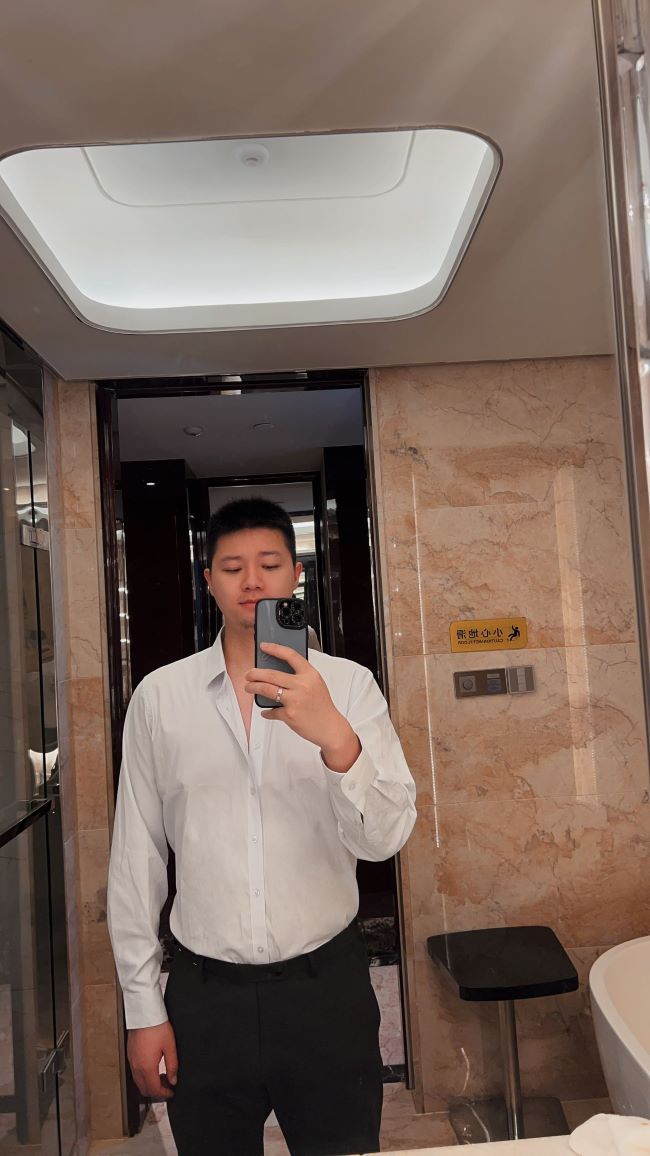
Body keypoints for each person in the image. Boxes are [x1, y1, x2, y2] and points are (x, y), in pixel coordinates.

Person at [107, 497, 416, 1156]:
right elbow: (136, 858)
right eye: (233, 567)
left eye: (270, 564)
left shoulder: (349, 686)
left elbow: (384, 839)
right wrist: (142, 1007)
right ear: (209, 580)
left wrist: (336, 738)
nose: (252, 581)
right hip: (204, 998)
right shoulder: (161, 698)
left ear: (296, 575)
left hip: (326, 991)